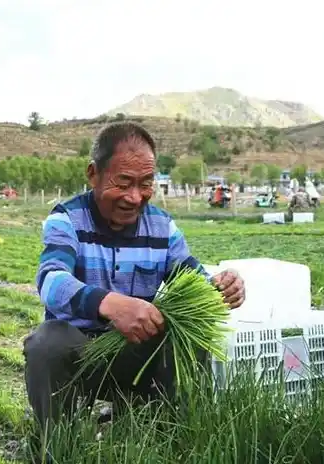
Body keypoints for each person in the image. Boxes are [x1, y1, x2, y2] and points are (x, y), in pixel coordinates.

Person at [23, 122, 245, 459]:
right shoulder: (66, 220)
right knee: (46, 343)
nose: (134, 197)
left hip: (136, 357)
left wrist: (222, 286)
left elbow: (194, 277)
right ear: (93, 174)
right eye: (123, 183)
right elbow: (51, 281)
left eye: (145, 184)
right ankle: (59, 447)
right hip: (81, 359)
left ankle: (174, 440)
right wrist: (109, 304)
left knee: (190, 335)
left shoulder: (162, 227)